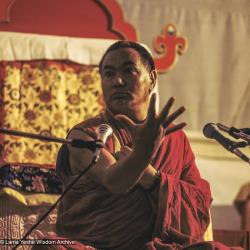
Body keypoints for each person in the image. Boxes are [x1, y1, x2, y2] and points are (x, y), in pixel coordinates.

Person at [54, 41, 238, 250]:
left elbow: (197, 206)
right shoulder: (87, 135)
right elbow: (114, 181)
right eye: (109, 74)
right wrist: (143, 153)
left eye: (129, 70)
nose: (118, 81)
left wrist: (153, 179)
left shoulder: (174, 138)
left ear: (152, 78)